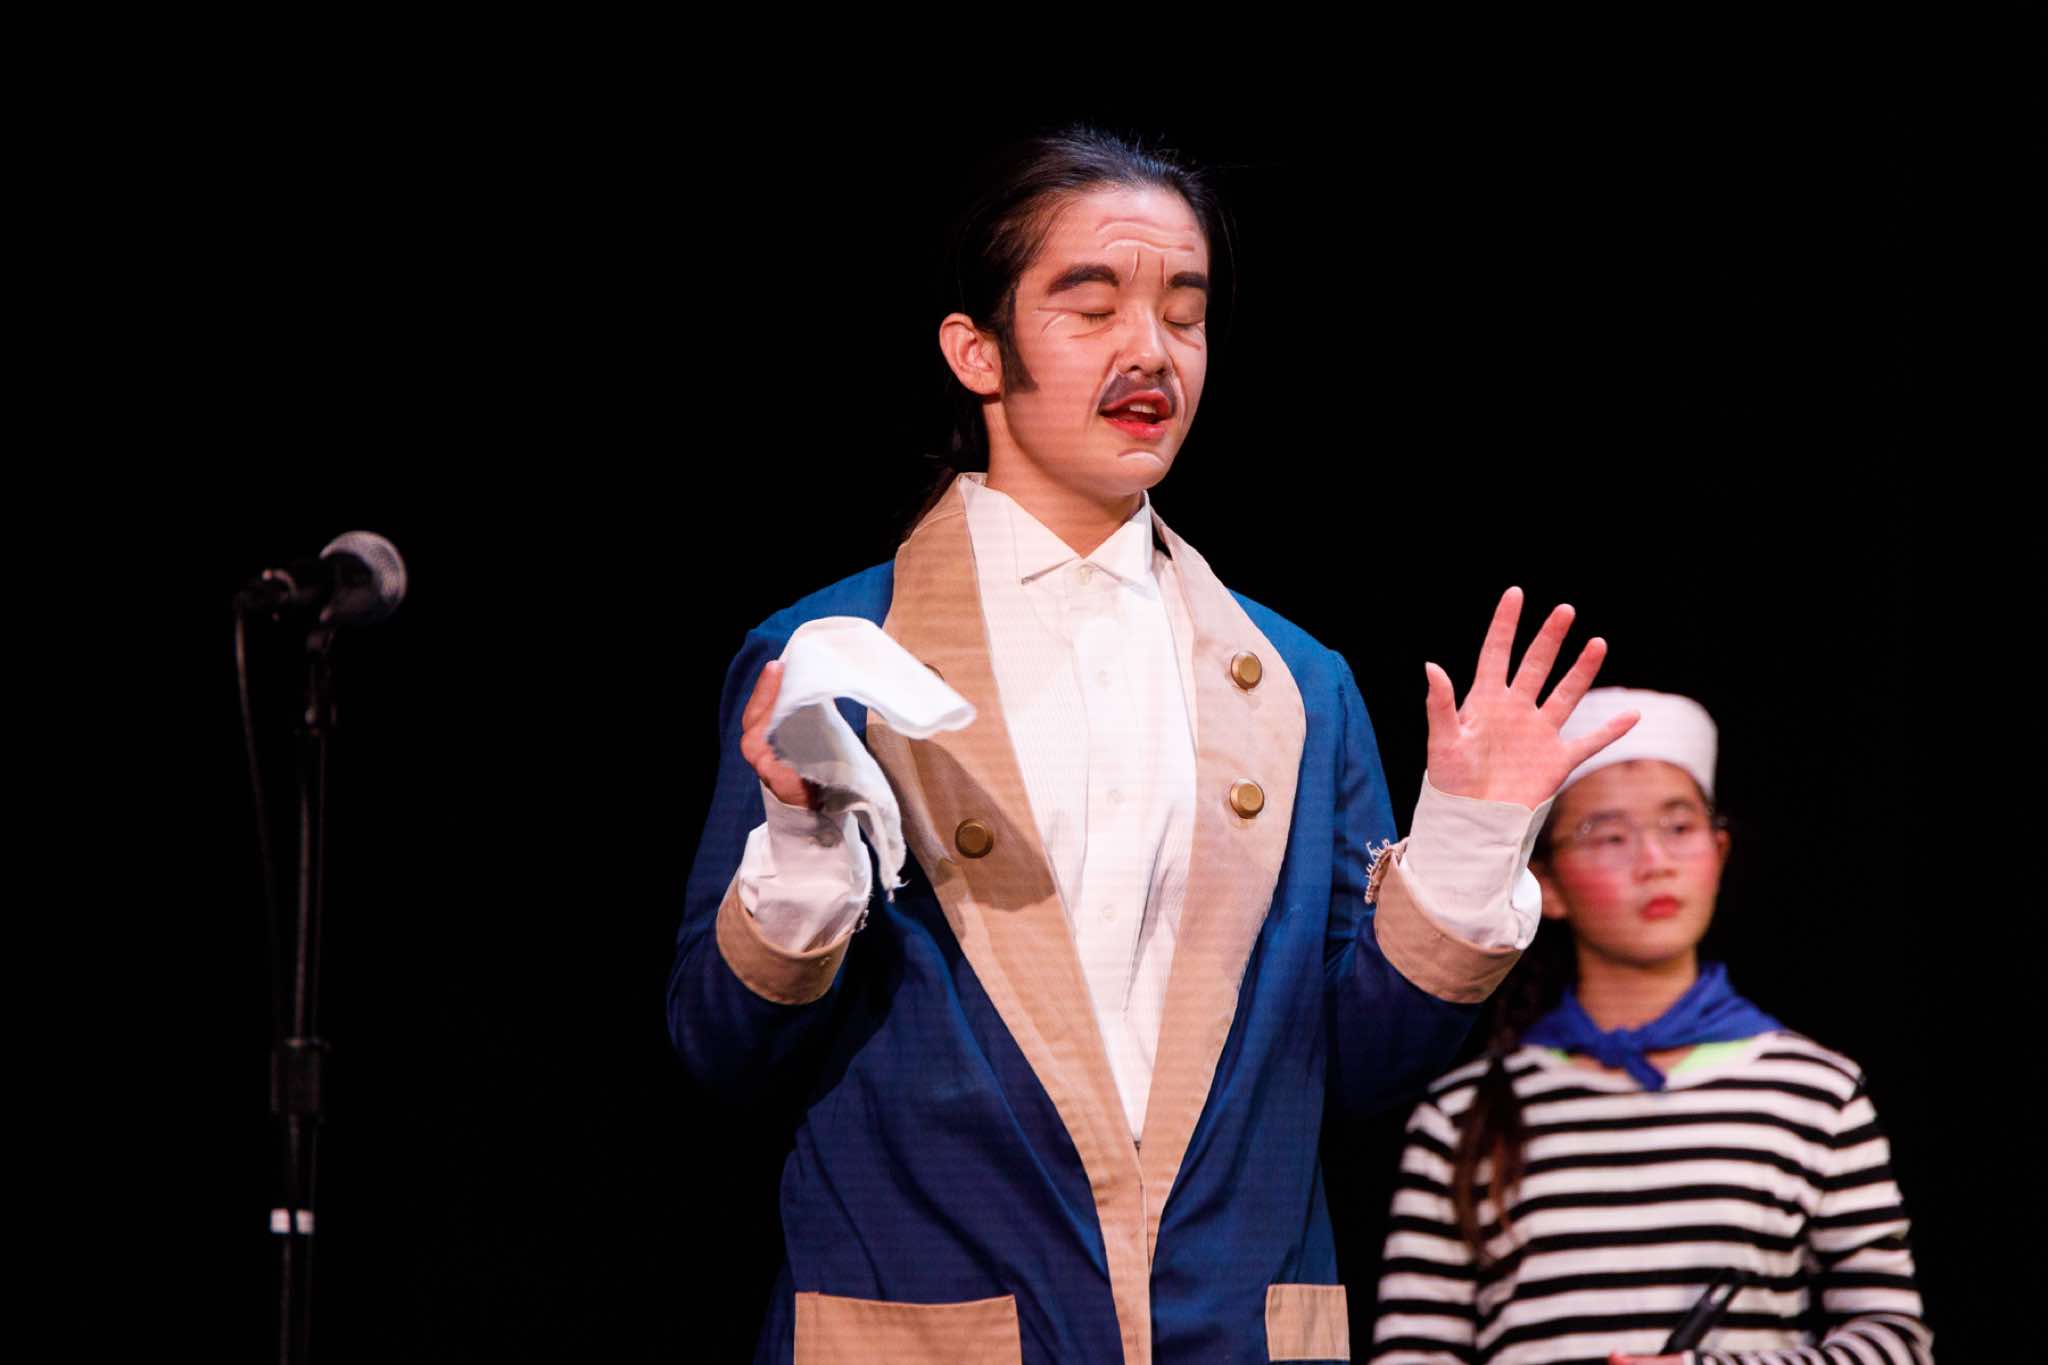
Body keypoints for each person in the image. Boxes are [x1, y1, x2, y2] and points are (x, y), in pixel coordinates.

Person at [666, 127, 1635, 1364]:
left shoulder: (1296, 684)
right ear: (976, 351)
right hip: (931, 1330)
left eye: (1184, 313)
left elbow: (1352, 1073)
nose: (1150, 351)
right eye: (1091, 308)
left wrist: (1467, 841)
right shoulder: (836, 658)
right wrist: (805, 846)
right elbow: (724, 1055)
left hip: (1224, 1332)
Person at [1370, 689, 1933, 1364]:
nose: (1654, 861)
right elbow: (1412, 1351)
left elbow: (1896, 1339)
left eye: (1679, 827)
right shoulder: (1461, 1116)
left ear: (1719, 852)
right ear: (1547, 883)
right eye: (1609, 835)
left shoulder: (1817, 1091)